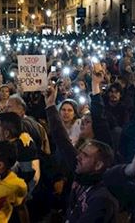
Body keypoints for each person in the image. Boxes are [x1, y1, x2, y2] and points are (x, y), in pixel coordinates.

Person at [44, 83, 118, 222]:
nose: (78, 157)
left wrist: (96, 86)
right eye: (80, 153)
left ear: (98, 165)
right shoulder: (81, 168)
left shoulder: (102, 197)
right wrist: (50, 105)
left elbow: (100, 120)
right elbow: (62, 140)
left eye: (85, 155)